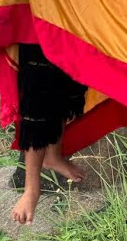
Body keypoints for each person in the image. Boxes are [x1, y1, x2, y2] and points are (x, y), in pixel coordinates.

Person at [9, 44, 86, 225]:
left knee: (68, 80)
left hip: (73, 21)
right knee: (39, 90)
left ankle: (53, 156)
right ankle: (32, 187)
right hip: (36, 24)